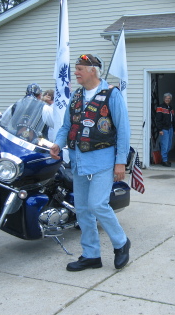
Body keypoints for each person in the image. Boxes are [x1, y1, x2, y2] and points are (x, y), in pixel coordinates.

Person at [50, 53, 131, 271]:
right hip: (78, 162)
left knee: (97, 205)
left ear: (92, 71)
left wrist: (120, 162)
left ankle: (121, 243)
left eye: (79, 69)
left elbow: (123, 130)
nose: (75, 72)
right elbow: (66, 126)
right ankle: (91, 254)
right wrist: (58, 143)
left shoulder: (112, 95)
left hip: (103, 160)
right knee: (83, 209)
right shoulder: (76, 96)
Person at [155, 93, 175, 167]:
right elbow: (158, 119)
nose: (167, 99)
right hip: (164, 129)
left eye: (169, 98)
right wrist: (160, 129)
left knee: (169, 145)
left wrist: (174, 128)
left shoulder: (170, 108)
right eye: (166, 98)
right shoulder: (160, 107)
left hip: (170, 128)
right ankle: (164, 160)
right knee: (165, 144)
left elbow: (173, 119)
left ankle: (165, 159)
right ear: (164, 99)